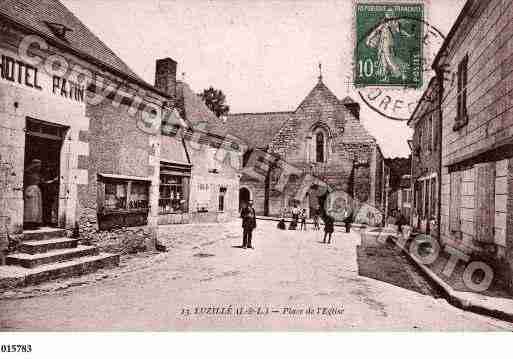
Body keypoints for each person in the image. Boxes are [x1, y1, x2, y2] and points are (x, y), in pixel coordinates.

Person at [23, 159, 57, 230]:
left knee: (36, 208)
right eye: (38, 166)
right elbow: (25, 182)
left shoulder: (38, 174)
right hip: (31, 190)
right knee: (31, 208)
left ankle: (34, 223)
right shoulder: (28, 173)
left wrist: (53, 180)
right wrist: (54, 180)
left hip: (36, 191)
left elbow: (43, 182)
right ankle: (29, 223)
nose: (39, 167)